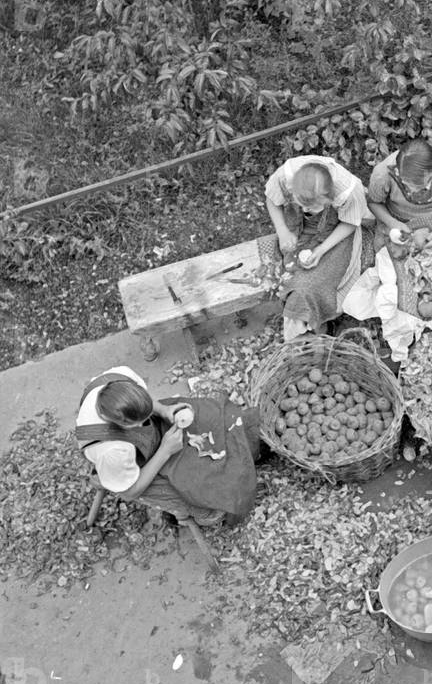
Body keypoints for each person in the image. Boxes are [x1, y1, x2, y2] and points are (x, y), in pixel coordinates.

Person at [76, 367, 261, 527]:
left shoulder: (120, 376)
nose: (144, 425)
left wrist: (163, 410)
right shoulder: (113, 451)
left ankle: (247, 445)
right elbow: (130, 492)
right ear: (123, 424)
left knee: (210, 416)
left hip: (136, 433)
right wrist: (165, 451)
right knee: (200, 482)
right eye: (139, 424)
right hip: (130, 469)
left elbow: (145, 399)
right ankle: (205, 513)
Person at [265, 155, 370, 340]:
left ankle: (316, 320)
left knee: (317, 282)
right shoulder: (285, 177)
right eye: (303, 204)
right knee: (291, 270)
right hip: (297, 226)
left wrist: (321, 251)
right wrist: (282, 231)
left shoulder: (348, 191)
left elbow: (350, 223)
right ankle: (304, 320)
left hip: (336, 230)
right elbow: (272, 200)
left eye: (314, 207)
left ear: (330, 198)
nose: (307, 211)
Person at [366, 138, 432, 253]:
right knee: (395, 261)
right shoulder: (382, 175)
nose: (414, 191)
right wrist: (393, 223)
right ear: (398, 172)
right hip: (402, 225)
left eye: (425, 182)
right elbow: (373, 202)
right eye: (407, 184)